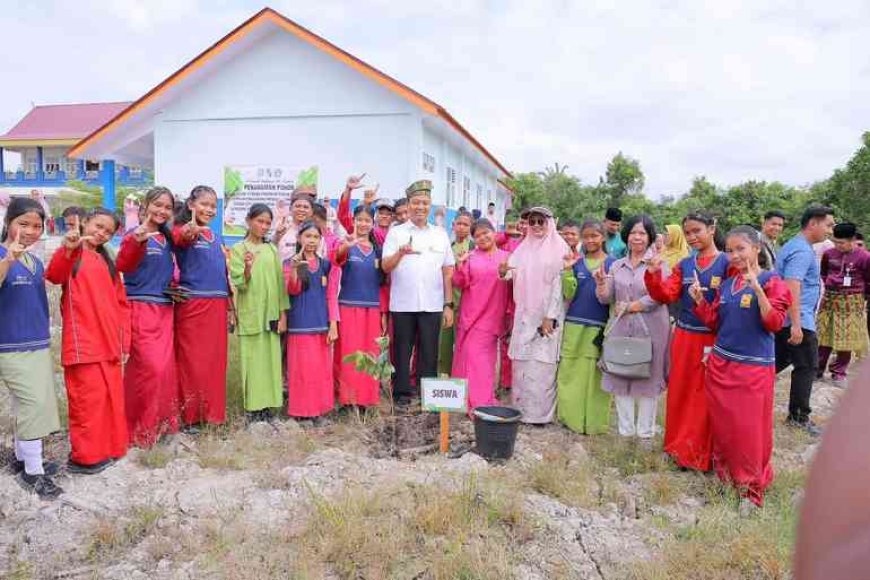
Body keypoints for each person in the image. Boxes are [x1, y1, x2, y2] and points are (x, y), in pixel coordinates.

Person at [692, 226, 791, 507]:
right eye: (730, 250)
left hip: (753, 370)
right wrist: (700, 301)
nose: (734, 255)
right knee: (724, 429)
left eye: (741, 249)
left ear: (756, 249)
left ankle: (751, 490)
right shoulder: (727, 285)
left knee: (749, 432)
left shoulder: (773, 282)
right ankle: (726, 480)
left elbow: (774, 323)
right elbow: (715, 322)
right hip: (721, 365)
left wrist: (758, 291)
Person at [46, 208, 130, 474]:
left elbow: (122, 304)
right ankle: (86, 457)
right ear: (85, 223)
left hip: (109, 343)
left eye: (108, 231)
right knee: (87, 403)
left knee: (110, 400)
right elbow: (54, 275)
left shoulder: (108, 262)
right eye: (98, 226)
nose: (101, 233)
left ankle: (111, 448)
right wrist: (67, 250)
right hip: (83, 343)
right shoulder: (73, 253)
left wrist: (124, 341)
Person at [646, 212, 728, 470]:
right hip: (683, 336)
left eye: (697, 231)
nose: (692, 237)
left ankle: (700, 454)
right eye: (688, 232)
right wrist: (654, 274)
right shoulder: (685, 264)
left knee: (704, 397)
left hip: (712, 338)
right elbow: (667, 294)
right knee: (680, 392)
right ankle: (676, 448)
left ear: (712, 229)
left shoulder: (727, 263)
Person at [0, 198, 63, 498]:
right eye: (23, 224)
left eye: (36, 226)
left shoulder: (34, 261)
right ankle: (32, 474)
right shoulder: (4, 254)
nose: (30, 231)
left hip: (36, 342)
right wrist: (8, 260)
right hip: (10, 344)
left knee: (31, 404)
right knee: (33, 405)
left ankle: (24, 458)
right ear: (8, 223)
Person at [115, 186, 180, 448]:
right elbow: (124, 265)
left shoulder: (167, 239)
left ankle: (162, 425)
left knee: (164, 372)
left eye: (167, 207)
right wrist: (137, 241)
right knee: (147, 371)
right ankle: (139, 430)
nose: (162, 211)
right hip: (141, 310)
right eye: (158, 205)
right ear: (145, 206)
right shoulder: (135, 235)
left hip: (165, 310)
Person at [382, 180, 455, 406]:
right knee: (402, 350)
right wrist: (401, 254)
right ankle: (402, 394)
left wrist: (448, 304)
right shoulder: (396, 233)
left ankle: (428, 395)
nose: (420, 207)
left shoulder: (441, 234)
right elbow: (385, 266)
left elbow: (447, 271)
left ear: (430, 205)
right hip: (403, 304)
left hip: (432, 304)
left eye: (424, 203)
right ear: (409, 205)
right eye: (416, 203)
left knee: (429, 352)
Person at [597, 215, 670, 441]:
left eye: (642, 233)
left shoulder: (659, 264)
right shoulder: (617, 265)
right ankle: (625, 432)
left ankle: (645, 434)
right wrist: (601, 284)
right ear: (626, 236)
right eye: (633, 232)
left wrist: (632, 306)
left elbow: (661, 295)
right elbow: (607, 298)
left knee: (649, 379)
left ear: (649, 237)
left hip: (652, 329)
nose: (637, 237)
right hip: (622, 329)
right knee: (621, 376)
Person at [501, 206, 569, 424]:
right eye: (533, 222)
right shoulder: (523, 249)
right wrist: (503, 272)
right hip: (525, 314)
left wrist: (550, 315)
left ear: (549, 223)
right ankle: (520, 411)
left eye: (541, 221)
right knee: (522, 361)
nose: (537, 226)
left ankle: (540, 416)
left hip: (548, 314)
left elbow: (560, 286)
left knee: (543, 364)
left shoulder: (560, 248)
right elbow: (510, 273)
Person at [172, 185, 230, 430]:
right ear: (191, 205)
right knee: (192, 361)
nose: (209, 209)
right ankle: (191, 416)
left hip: (218, 304)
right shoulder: (184, 231)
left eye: (212, 206)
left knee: (216, 361)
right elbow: (180, 238)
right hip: (194, 304)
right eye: (204, 204)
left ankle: (214, 414)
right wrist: (188, 231)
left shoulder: (217, 238)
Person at [775, 206, 835, 435]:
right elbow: (792, 286)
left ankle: (742, 392)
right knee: (807, 366)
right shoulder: (801, 250)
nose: (830, 231)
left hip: (790, 319)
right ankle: (799, 417)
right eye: (828, 225)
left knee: (774, 363)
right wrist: (797, 323)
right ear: (813, 224)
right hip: (798, 320)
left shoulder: (796, 246)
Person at [229, 204, 289, 421]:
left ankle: (269, 406)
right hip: (251, 314)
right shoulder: (238, 249)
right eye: (259, 221)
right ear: (249, 221)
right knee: (252, 361)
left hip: (271, 315)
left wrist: (283, 314)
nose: (263, 226)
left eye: (267, 223)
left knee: (271, 361)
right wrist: (246, 268)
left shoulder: (272, 250)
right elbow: (239, 284)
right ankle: (253, 408)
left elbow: (280, 284)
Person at [557, 219, 616, 434]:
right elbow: (569, 294)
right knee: (570, 371)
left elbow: (613, 300)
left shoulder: (612, 264)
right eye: (587, 236)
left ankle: (593, 424)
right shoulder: (577, 262)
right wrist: (567, 272)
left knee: (595, 376)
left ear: (603, 237)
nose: (590, 240)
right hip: (574, 324)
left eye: (595, 236)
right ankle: (570, 418)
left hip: (599, 327)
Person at [451, 219, 510, 410]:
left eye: (486, 233)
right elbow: (459, 282)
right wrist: (460, 266)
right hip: (470, 316)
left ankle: (480, 403)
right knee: (466, 357)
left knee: (482, 362)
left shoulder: (507, 257)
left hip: (492, 317)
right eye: (477, 236)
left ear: (494, 233)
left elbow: (514, 287)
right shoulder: (470, 257)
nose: (483, 237)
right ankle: (463, 400)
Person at [284, 221, 339, 420]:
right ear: (299, 238)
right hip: (300, 325)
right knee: (302, 372)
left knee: (320, 371)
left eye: (316, 237)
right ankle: (301, 412)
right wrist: (295, 270)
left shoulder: (325, 264)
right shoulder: (290, 263)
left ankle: (320, 410)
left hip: (321, 325)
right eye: (308, 236)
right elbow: (292, 290)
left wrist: (333, 324)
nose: (312, 241)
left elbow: (331, 295)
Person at [333, 205, 386, 408]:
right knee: (348, 355)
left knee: (370, 355)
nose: (363, 224)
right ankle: (347, 400)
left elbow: (382, 282)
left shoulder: (378, 251)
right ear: (353, 221)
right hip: (348, 306)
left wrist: (382, 312)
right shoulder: (346, 244)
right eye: (360, 220)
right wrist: (346, 246)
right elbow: (337, 259)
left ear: (373, 224)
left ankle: (366, 399)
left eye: (367, 220)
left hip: (371, 308)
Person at [816, 222, 870, 388]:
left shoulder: (865, 257)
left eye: (842, 243)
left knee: (846, 338)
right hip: (830, 299)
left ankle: (838, 372)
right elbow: (824, 273)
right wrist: (833, 284)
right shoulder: (828, 254)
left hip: (852, 301)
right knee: (823, 335)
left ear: (853, 240)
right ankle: (817, 370)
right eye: (836, 242)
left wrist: (863, 297)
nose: (838, 246)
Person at [439, 210, 474, 375]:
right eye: (458, 224)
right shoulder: (447, 246)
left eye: (465, 224)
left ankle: (462, 376)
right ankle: (444, 376)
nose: (461, 227)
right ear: (453, 226)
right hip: (448, 301)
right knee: (445, 342)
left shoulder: (474, 248)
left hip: (467, 303)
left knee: (464, 343)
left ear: (471, 227)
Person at [277, 186, 317, 261]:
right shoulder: (282, 230)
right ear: (290, 209)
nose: (301, 209)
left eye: (306, 207)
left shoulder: (317, 233)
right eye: (298, 206)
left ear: (312, 211)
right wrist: (276, 237)